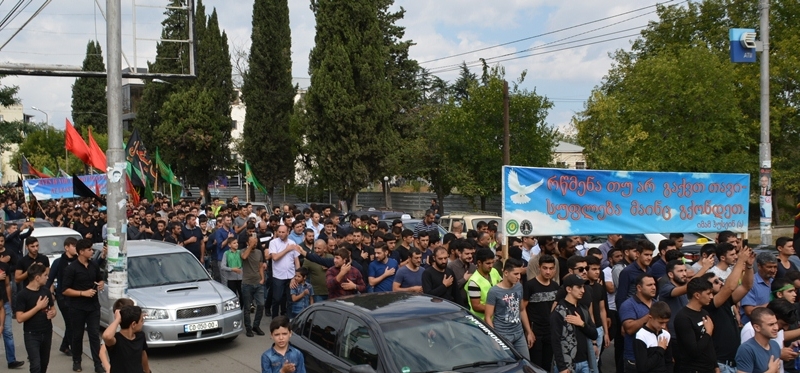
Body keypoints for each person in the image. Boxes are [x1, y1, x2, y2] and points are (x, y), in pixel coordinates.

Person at [703, 245, 755, 373]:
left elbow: (746, 286)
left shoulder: (726, 301)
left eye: (720, 280)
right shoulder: (709, 304)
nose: (720, 282)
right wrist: (740, 261)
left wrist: (748, 266)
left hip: (734, 362)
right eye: (716, 282)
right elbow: (730, 287)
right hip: (721, 364)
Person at [62, 239, 105, 373]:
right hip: (77, 307)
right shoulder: (71, 268)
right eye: (89, 250)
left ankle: (98, 364)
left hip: (93, 307)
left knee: (94, 335)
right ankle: (77, 360)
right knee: (77, 335)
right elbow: (65, 290)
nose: (92, 252)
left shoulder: (93, 265)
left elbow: (99, 278)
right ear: (81, 252)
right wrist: (82, 293)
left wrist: (101, 283)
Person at [484, 259, 533, 360]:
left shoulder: (519, 286)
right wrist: (495, 339)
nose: (519, 277)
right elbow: (488, 317)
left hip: (519, 333)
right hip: (502, 334)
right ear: (506, 273)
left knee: (526, 363)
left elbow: (522, 309)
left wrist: (529, 331)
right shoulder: (494, 291)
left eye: (520, 274)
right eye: (515, 274)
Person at [552, 274, 598, 373]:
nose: (583, 290)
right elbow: (555, 342)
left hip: (585, 363)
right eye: (579, 287)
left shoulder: (583, 309)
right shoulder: (559, 312)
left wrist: (582, 324)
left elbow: (594, 334)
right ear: (569, 289)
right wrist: (562, 367)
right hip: (567, 365)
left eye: (583, 287)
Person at [14, 263, 55, 373]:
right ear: (37, 278)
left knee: (43, 365)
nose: (47, 277)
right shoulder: (23, 295)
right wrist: (37, 307)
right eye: (45, 275)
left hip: (46, 332)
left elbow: (53, 309)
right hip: (31, 334)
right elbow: (19, 318)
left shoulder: (45, 291)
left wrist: (52, 313)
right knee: (35, 365)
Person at [522, 254, 559, 371]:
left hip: (550, 331)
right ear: (539, 268)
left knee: (547, 364)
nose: (548, 271)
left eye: (551, 268)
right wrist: (529, 332)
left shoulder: (555, 286)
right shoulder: (530, 285)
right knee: (535, 365)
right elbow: (522, 309)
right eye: (545, 268)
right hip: (535, 331)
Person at [673, 277, 717, 373]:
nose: (711, 297)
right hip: (693, 369)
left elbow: (710, 344)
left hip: (709, 368)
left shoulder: (704, 313)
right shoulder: (683, 318)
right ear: (697, 295)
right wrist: (708, 332)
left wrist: (715, 366)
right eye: (708, 293)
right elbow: (694, 351)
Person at [46, 236, 78, 357]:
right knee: (70, 323)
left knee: (74, 323)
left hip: (76, 296)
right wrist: (48, 296)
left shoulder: (78, 261)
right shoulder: (58, 262)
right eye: (74, 246)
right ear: (66, 247)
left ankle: (64, 345)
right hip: (63, 297)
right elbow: (50, 280)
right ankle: (73, 349)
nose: (76, 248)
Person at [619, 274, 657, 372]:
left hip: (655, 357)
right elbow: (629, 329)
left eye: (654, 284)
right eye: (649, 285)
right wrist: (650, 316)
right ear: (639, 288)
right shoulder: (628, 305)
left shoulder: (657, 303)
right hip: (634, 359)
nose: (653, 287)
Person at [102, 305, 150, 373]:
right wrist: (117, 319)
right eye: (141, 320)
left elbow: (143, 354)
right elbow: (106, 336)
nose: (143, 323)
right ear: (133, 324)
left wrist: (147, 371)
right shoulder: (116, 340)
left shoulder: (140, 336)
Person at [736, 307, 783, 373]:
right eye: (771, 324)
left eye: (776, 323)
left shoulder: (775, 345)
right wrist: (771, 371)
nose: (776, 328)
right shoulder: (746, 349)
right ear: (757, 327)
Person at [269, 225, 301, 318]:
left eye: (283, 232)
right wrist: (287, 250)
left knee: (290, 299)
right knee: (277, 299)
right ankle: (274, 318)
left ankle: (289, 319)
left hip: (291, 275)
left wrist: (297, 275)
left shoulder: (292, 243)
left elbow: (296, 260)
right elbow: (274, 258)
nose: (281, 234)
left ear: (288, 232)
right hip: (279, 276)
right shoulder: (273, 243)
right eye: (279, 232)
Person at [633, 301, 673, 373]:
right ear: (650, 318)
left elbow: (669, 362)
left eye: (666, 322)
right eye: (661, 322)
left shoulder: (666, 335)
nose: (664, 326)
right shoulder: (641, 336)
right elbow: (642, 367)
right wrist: (660, 349)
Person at [615, 240, 653, 310]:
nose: (649, 258)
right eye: (646, 255)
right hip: (631, 311)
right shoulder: (627, 272)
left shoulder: (650, 270)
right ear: (638, 254)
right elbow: (621, 297)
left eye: (651, 255)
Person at [742, 252, 778, 324]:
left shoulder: (774, 282)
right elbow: (749, 311)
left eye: (775, 267)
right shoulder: (750, 283)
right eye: (769, 267)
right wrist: (774, 304)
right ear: (759, 266)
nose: (773, 270)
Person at [466, 248, 502, 320]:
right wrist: (497, 308)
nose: (491, 265)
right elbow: (476, 306)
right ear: (479, 263)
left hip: (495, 318)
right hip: (481, 321)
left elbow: (502, 285)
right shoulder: (474, 281)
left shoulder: (494, 271)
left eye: (492, 262)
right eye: (488, 263)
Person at [241, 234, 265, 337]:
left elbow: (260, 267)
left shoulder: (259, 252)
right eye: (251, 242)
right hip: (247, 283)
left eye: (255, 242)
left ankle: (256, 325)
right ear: (247, 243)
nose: (254, 244)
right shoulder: (243, 251)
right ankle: (248, 328)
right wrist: (250, 247)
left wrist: (262, 278)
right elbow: (244, 257)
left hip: (257, 283)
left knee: (261, 304)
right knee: (247, 308)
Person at [220, 237, 242, 302]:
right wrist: (232, 269)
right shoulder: (226, 253)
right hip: (231, 278)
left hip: (241, 278)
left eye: (237, 242)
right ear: (229, 245)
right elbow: (222, 266)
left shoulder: (240, 252)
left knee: (242, 295)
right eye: (234, 243)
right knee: (233, 295)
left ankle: (242, 308)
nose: (236, 244)